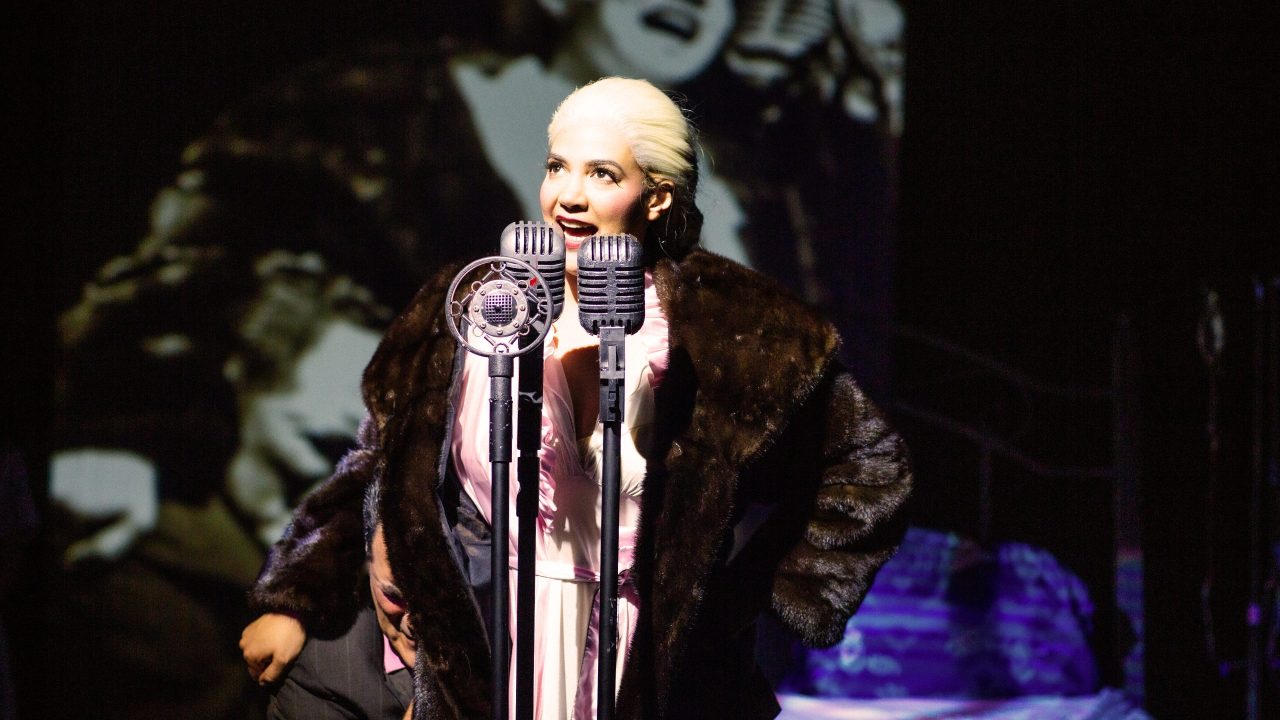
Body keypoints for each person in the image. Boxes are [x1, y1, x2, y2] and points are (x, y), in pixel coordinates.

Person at [242, 76, 910, 720]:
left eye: (602, 175)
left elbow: (870, 471)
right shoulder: (475, 303)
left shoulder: (736, 330)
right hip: (484, 636)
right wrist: (298, 597)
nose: (568, 196)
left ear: (656, 198)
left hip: (640, 663)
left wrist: (748, 600)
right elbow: (375, 461)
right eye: (558, 167)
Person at [264, 480, 415, 720]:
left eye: (435, 597)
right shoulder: (322, 674)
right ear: (367, 557)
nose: (416, 620)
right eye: (394, 595)